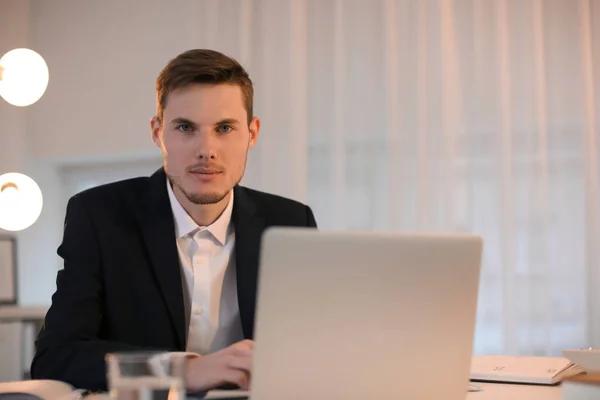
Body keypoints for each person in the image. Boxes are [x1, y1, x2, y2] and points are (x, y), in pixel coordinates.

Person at [30, 49, 318, 392]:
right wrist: (183, 371)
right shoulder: (98, 215)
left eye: (224, 128)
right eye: (185, 128)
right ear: (157, 132)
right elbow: (57, 355)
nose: (206, 150)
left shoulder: (291, 221)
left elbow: (315, 349)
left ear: (252, 133)